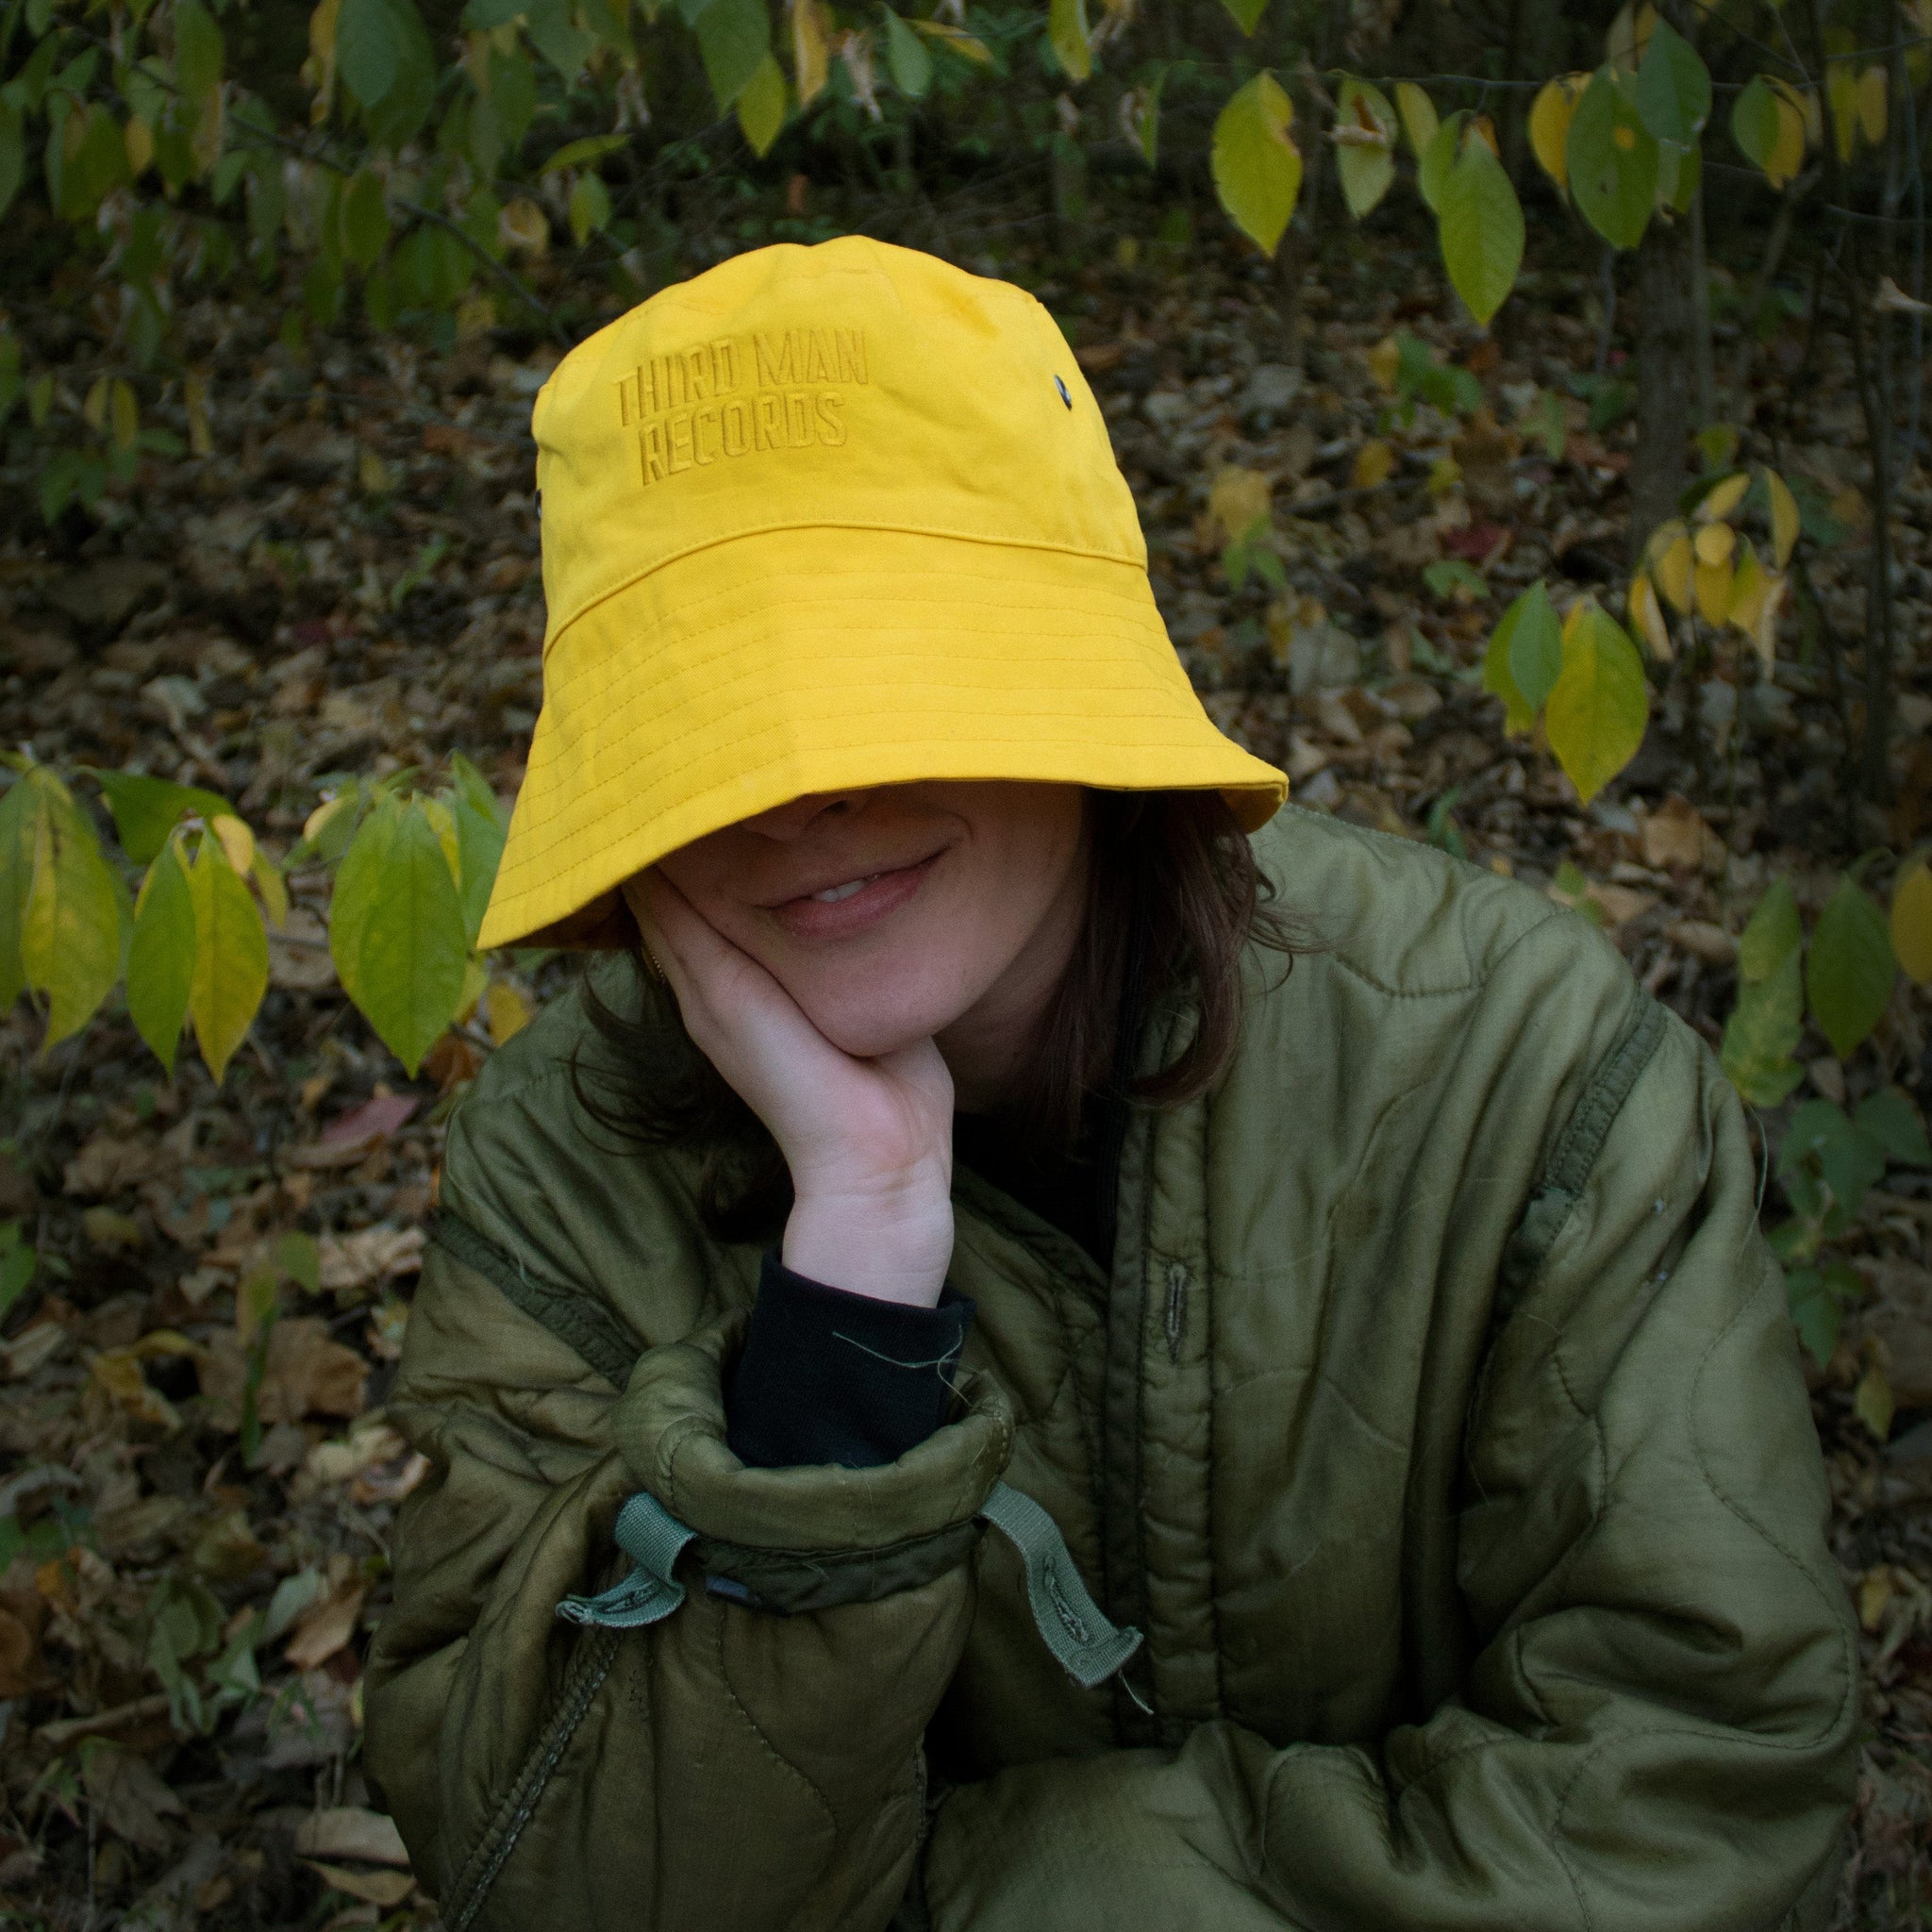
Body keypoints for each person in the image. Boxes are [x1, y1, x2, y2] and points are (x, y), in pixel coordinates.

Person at [364, 237, 1857, 1931]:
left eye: (890, 680)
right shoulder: (567, 1172)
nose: (796, 799)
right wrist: (840, 1309)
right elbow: (547, 1876)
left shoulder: (1513, 1070)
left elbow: (1711, 1790)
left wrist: (1066, 1890)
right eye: (716, 725)